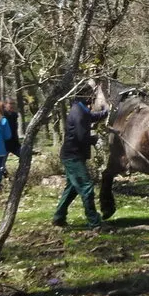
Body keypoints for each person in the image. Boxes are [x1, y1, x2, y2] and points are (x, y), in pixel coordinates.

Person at [52, 86, 109, 229]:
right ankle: (94, 222)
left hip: (73, 155)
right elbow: (81, 136)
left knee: (72, 188)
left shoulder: (81, 109)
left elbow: (91, 117)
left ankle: (59, 217)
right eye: (90, 94)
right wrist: (94, 139)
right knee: (86, 187)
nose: (91, 97)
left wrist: (105, 113)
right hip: (73, 156)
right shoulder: (78, 111)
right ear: (83, 95)